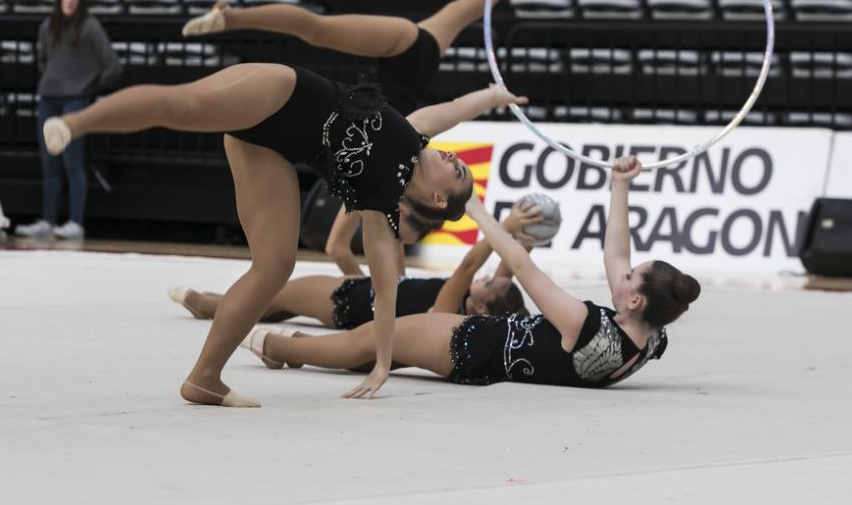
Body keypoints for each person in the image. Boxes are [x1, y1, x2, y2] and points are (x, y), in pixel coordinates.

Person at [41, 39, 528, 408]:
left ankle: (204, 378)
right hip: (282, 93)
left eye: (457, 168)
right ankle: (76, 124)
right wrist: (493, 95)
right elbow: (456, 109)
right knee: (182, 107)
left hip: (269, 148)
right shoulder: (414, 134)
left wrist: (382, 363)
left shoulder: (380, 212)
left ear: (440, 195)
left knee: (274, 264)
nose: (451, 156)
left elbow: (386, 294)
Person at [241, 157, 701, 390]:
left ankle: (280, 347)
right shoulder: (650, 339)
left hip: (470, 344)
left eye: (630, 277)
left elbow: (522, 266)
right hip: (482, 350)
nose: (620, 273)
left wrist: (476, 207)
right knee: (383, 346)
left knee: (372, 341)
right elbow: (617, 254)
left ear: (635, 299)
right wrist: (620, 187)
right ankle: (299, 348)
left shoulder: (587, 326)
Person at [184, 0, 524, 275]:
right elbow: (456, 109)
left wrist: (366, 291)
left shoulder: (375, 186)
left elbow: (340, 248)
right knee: (320, 29)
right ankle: (231, 17)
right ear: (413, 208)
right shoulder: (397, 173)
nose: (392, 233)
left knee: (459, 10)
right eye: (400, 229)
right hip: (409, 52)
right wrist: (495, 96)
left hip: (398, 69)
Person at [168, 200, 542, 326]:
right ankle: (219, 305)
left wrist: (502, 226)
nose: (492, 276)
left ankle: (208, 305)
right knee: (277, 306)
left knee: (275, 294)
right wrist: (524, 237)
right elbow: (508, 272)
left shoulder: (450, 307)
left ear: (478, 305)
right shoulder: (474, 309)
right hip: (378, 295)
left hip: (353, 301)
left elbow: (467, 268)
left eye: (489, 282)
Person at [15, 0, 121, 241]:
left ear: (81, 0)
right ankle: (48, 220)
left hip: (76, 99)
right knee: (49, 160)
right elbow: (43, 61)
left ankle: (75, 222)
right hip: (49, 97)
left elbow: (113, 66)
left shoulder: (90, 27)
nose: (69, 0)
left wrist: (89, 86)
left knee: (72, 160)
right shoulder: (47, 27)